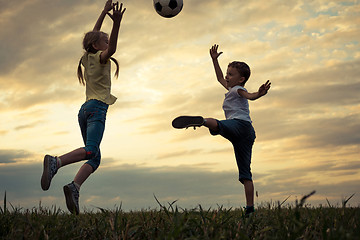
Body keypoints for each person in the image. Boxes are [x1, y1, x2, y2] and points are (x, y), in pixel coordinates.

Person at [41, 0, 126, 214]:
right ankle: (56, 162)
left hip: (84, 110)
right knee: (90, 150)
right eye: (104, 41)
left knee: (94, 156)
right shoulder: (101, 58)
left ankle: (75, 186)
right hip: (97, 109)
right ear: (97, 46)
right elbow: (111, 47)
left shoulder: (86, 57)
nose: (107, 43)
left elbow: (93, 35)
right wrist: (116, 24)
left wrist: (103, 12)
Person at [172, 44, 271, 217]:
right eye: (227, 73)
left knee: (219, 125)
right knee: (245, 175)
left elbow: (250, 96)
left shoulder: (239, 90)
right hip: (245, 134)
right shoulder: (231, 88)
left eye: (231, 74)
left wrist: (259, 94)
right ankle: (250, 209)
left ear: (241, 79)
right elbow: (219, 78)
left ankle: (201, 121)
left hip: (241, 126)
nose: (226, 76)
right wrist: (214, 60)